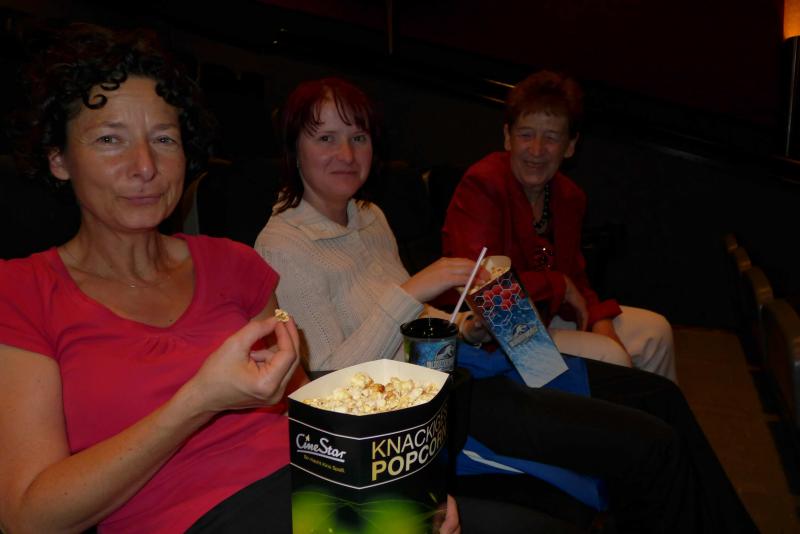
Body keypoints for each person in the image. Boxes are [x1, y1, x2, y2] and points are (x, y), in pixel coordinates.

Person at [0, 24, 466, 534]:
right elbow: (28, 517)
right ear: (59, 158)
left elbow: (307, 415)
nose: (145, 166)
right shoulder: (22, 291)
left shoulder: (235, 265)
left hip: (313, 498)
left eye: (164, 139)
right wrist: (198, 402)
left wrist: (390, 482)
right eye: (110, 139)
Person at [255, 76, 758, 533]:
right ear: (294, 148)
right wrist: (414, 292)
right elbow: (327, 382)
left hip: (469, 362)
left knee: (660, 394)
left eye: (359, 137)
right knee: (649, 442)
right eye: (326, 138)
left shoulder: (370, 216)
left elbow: (422, 322)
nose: (346, 153)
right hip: (427, 410)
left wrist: (464, 325)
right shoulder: (284, 246)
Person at [442, 70, 676, 381]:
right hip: (491, 332)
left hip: (545, 316)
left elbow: (576, 276)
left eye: (551, 137)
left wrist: (600, 318)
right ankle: (613, 413)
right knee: (611, 356)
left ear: (570, 145)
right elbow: (484, 287)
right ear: (507, 137)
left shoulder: (569, 196)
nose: (537, 150)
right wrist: (558, 285)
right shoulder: (483, 185)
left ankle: (648, 412)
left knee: (656, 331)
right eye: (526, 134)